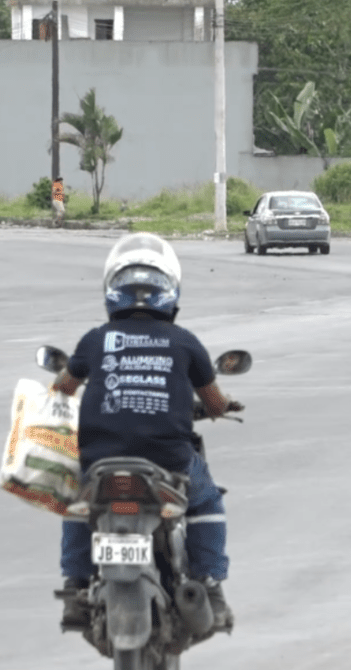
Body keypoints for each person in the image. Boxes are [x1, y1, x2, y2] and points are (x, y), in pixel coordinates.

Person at [49, 233, 243, 630]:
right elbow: (213, 402)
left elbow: (62, 391)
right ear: (170, 293)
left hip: (99, 460)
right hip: (169, 462)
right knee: (206, 504)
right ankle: (209, 584)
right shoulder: (185, 342)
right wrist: (224, 407)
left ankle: (75, 585)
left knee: (76, 501)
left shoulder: (95, 340)